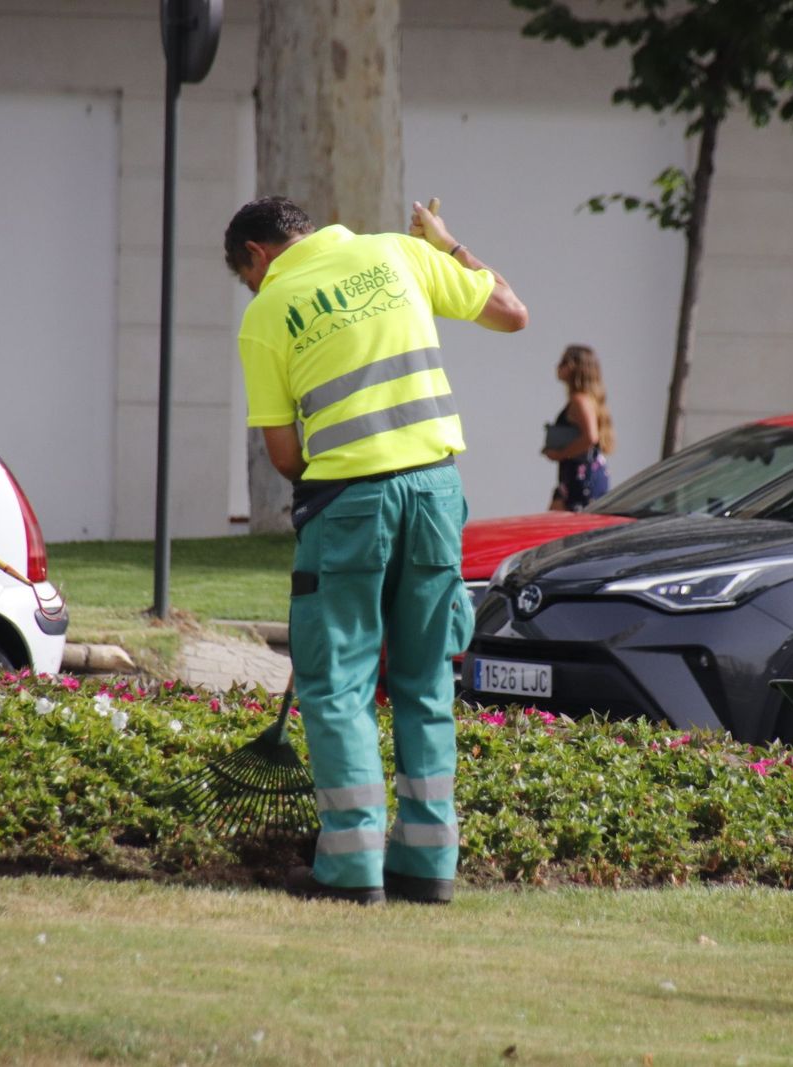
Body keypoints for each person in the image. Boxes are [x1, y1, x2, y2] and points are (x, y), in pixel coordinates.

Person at [225, 195, 528, 905]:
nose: (253, 288)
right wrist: (449, 242)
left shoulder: (267, 310)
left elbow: (283, 453)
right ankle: (428, 864)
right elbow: (512, 311)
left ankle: (353, 866)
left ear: (257, 256)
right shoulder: (399, 252)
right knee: (426, 681)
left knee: (339, 685)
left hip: (349, 506)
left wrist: (336, 483)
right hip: (434, 495)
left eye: (248, 276)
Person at [542, 343, 613, 511]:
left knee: (560, 529)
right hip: (578, 475)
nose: (558, 366)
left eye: (564, 362)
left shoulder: (580, 401)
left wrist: (560, 454)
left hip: (580, 477)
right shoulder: (587, 400)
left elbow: (591, 437)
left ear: (576, 367)